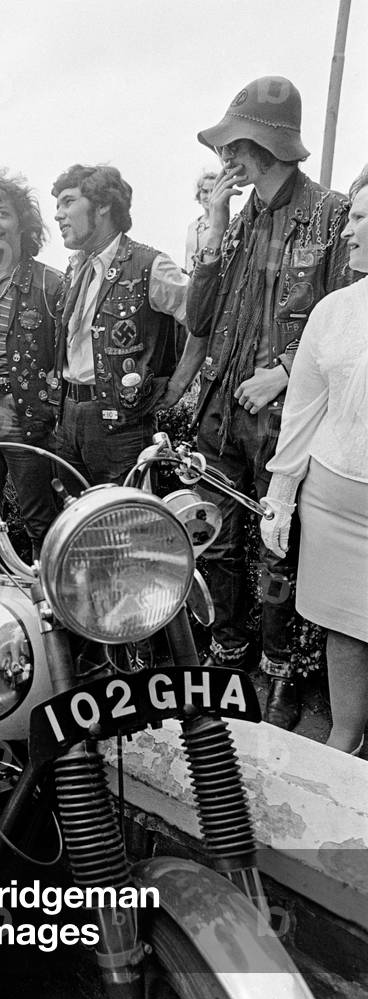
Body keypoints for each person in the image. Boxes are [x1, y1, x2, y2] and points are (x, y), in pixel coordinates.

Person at [159, 76, 355, 729]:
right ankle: (227, 665)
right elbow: (201, 317)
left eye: (234, 146)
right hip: (220, 414)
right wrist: (212, 233)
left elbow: (346, 323)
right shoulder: (236, 221)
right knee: (215, 546)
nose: (225, 160)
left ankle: (277, 682)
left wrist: (285, 366)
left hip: (285, 421)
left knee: (278, 552)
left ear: (264, 143)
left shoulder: (328, 214)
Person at [261, 164, 368, 753]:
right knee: (345, 630)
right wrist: (280, 500)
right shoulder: (333, 310)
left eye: (358, 218)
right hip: (332, 502)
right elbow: (301, 414)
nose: (347, 233)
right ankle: (346, 739)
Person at [52, 164, 187, 488]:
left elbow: (204, 319)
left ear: (102, 205)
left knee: (130, 525)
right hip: (68, 416)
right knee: (77, 525)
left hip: (122, 426)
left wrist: (179, 383)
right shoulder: (76, 269)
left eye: (68, 202)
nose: (58, 214)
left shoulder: (150, 265)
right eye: (57, 205)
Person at [0, 171, 62, 563]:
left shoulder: (50, 283)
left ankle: (50, 603)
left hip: (24, 414)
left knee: (42, 520)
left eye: (2, 213)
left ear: (22, 222)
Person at [185, 170, 218, 271]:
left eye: (213, 191)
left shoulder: (225, 226)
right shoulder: (192, 227)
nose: (209, 196)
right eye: (205, 191)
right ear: (199, 194)